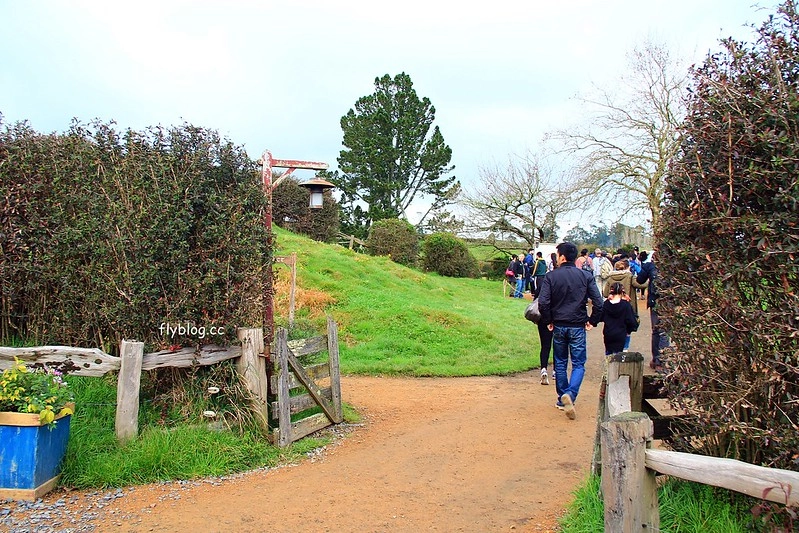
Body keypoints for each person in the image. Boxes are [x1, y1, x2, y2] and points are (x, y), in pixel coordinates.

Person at [538, 242, 603, 420]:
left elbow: (543, 303)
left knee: (560, 362)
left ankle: (562, 397)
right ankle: (571, 394)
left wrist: (548, 320)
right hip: (577, 324)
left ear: (562, 257)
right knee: (578, 363)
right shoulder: (585, 276)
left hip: (559, 324)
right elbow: (598, 302)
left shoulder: (551, 277)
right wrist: (592, 320)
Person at [602, 258, 647, 350]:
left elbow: (606, 293)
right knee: (627, 329)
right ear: (627, 267)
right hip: (627, 307)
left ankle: (611, 352)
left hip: (613, 307)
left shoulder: (610, 278)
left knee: (614, 327)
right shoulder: (630, 277)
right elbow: (641, 285)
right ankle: (625, 348)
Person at [637, 251, 669, 370]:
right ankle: (661, 360)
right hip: (666, 301)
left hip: (655, 301)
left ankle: (658, 359)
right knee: (663, 331)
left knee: (657, 330)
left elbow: (640, 280)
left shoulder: (650, 266)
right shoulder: (671, 267)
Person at [599, 282, 640, 354]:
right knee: (621, 356)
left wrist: (591, 322)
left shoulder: (606, 304)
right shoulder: (626, 305)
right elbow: (631, 321)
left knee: (609, 355)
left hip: (608, 333)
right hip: (621, 333)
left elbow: (600, 316)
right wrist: (630, 329)